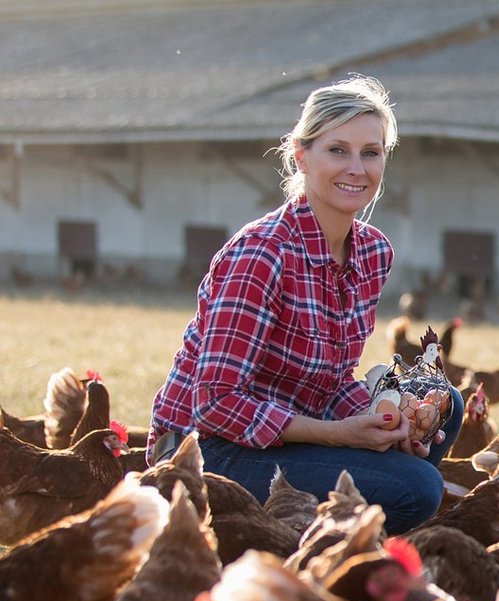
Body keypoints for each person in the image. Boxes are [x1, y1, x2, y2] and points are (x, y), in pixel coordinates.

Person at [148, 75, 458, 532]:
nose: (357, 168)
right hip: (206, 449)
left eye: (370, 153)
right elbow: (215, 404)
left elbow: (329, 383)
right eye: (338, 150)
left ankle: (337, 524)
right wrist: (337, 435)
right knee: (418, 489)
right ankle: (323, 550)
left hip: (284, 432)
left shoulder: (373, 252)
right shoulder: (262, 254)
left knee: (441, 403)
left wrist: (387, 422)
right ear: (301, 155)